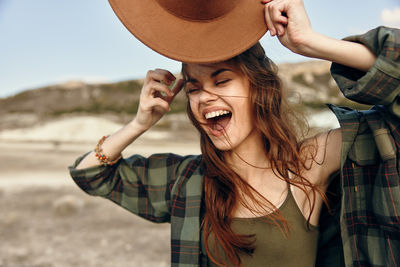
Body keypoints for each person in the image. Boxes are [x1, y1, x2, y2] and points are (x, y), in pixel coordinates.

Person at [69, 0, 400, 266]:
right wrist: (139, 124)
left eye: (222, 80)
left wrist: (312, 43)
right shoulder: (187, 180)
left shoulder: (310, 164)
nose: (205, 97)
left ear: (259, 87)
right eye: (195, 87)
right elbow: (91, 174)